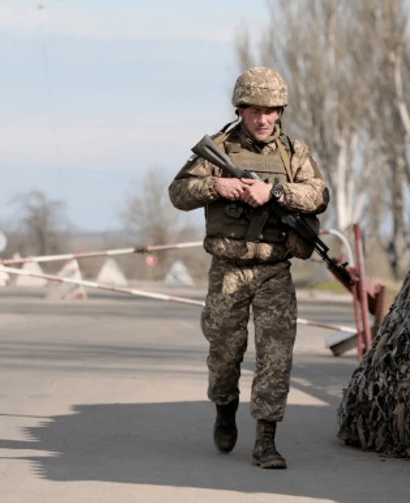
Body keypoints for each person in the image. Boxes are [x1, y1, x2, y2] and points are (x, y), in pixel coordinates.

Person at [168, 67, 329, 469]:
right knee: (224, 353)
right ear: (240, 110)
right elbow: (178, 192)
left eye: (272, 111)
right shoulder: (218, 150)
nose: (263, 119)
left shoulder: (294, 154)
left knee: (276, 356)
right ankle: (224, 407)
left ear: (281, 112)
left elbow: (318, 194)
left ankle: (266, 441)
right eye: (255, 110)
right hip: (228, 270)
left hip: (275, 269)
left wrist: (273, 191)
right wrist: (215, 186)